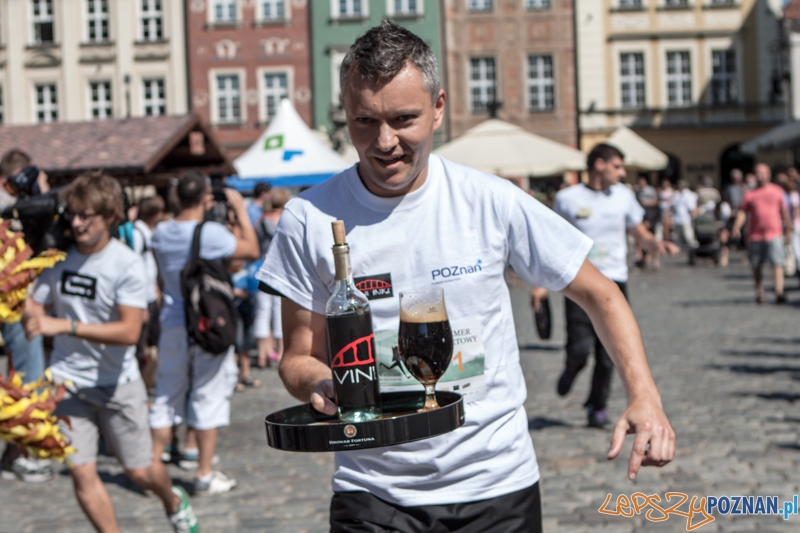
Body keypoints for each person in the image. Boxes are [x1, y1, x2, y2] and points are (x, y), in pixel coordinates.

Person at [257, 21, 675, 532]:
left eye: (403, 119)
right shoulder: (310, 217)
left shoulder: (489, 200)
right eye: (364, 121)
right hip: (374, 490)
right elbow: (297, 355)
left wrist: (645, 395)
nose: (384, 141)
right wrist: (320, 382)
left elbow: (600, 293)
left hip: (494, 484)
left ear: (438, 108)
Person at [21, 172, 197, 533]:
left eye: (88, 215)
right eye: (73, 214)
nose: (78, 222)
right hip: (68, 384)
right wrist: (27, 306)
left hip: (119, 383)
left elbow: (130, 331)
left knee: (140, 471)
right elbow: (33, 306)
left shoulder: (126, 264)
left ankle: (173, 500)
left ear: (110, 217)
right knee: (81, 472)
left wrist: (64, 326)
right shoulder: (57, 258)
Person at [534, 145, 678, 428]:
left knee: (609, 353)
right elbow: (551, 242)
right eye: (617, 166)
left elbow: (640, 233)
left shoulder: (624, 196)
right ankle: (571, 368)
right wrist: (539, 285)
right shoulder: (567, 198)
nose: (622, 173)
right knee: (579, 348)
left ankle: (596, 405)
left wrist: (655, 244)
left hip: (615, 282)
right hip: (578, 283)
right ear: (599, 165)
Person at [149, 170, 259, 495]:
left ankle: (153, 466)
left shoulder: (160, 232)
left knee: (166, 395)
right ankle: (203, 473)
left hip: (172, 322)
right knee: (208, 394)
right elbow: (251, 249)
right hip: (206, 322)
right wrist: (238, 207)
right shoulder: (209, 233)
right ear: (205, 198)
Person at [0, 149, 51, 482]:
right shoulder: (10, 207)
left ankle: (14, 453)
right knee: (28, 376)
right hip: (16, 303)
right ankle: (20, 456)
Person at [733, 163, 793, 304]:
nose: (759, 175)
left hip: (775, 233)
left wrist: (788, 228)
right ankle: (760, 293)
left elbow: (784, 211)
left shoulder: (777, 191)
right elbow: (742, 211)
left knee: (777, 263)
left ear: (768, 175)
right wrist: (736, 226)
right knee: (756, 265)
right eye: (757, 173)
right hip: (755, 235)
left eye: (761, 172)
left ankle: (779, 291)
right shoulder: (750, 193)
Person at [254, 187, 290, 368]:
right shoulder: (287, 219)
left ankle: (262, 354)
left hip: (262, 268)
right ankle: (281, 352)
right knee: (279, 311)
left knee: (262, 313)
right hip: (282, 270)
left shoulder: (261, 221)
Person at [132, 195, 165, 389]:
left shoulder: (146, 232)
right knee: (142, 347)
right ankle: (142, 386)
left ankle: (148, 382)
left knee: (152, 344)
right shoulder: (138, 234)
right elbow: (136, 269)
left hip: (150, 296)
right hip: (143, 299)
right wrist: (141, 303)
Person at [634, 175, 662, 270]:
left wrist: (651, 221)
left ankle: (655, 261)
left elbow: (657, 209)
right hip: (644, 221)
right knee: (642, 241)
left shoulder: (651, 194)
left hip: (653, 221)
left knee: (654, 241)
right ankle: (644, 260)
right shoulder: (638, 193)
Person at [721, 169, 746, 267]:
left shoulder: (743, 188)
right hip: (732, 212)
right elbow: (726, 199)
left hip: (743, 212)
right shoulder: (729, 188)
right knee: (726, 232)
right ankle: (725, 256)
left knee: (744, 233)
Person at [671, 179, 698, 250]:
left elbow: (692, 208)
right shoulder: (676, 194)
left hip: (686, 218)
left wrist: (693, 216)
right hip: (677, 218)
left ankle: (693, 250)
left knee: (688, 235)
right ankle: (677, 250)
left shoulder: (688, 195)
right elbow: (674, 206)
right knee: (677, 236)